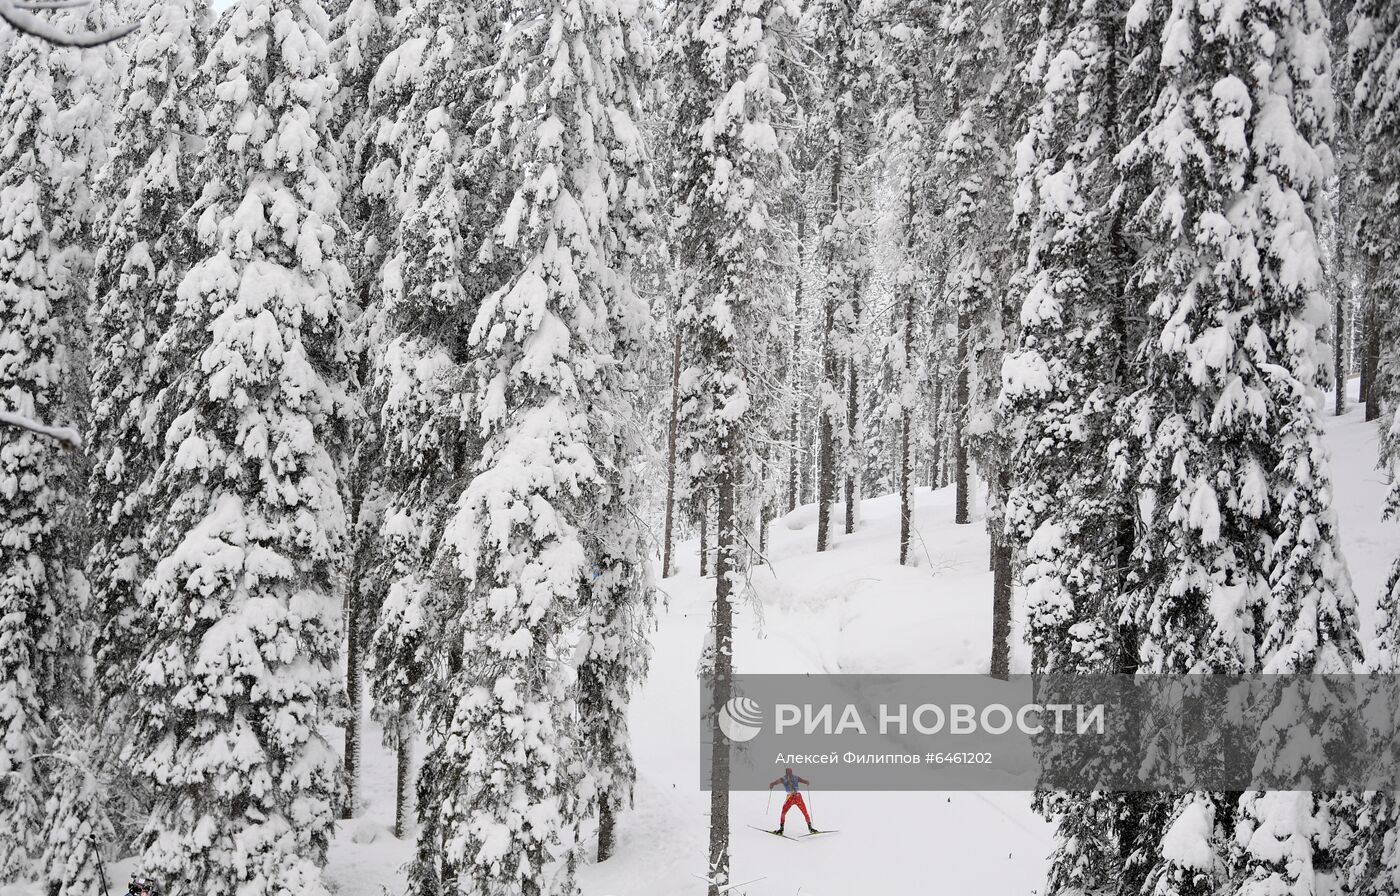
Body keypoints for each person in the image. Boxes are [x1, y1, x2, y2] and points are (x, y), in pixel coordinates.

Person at [768, 766, 817, 835]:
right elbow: (776, 782)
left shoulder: (787, 778)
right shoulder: (787, 778)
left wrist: (772, 784)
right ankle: (810, 828)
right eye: (788, 772)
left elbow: (804, 781)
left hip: (792, 797)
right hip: (796, 797)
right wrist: (772, 784)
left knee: (784, 812)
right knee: (804, 812)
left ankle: (781, 829)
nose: (789, 773)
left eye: (789, 772)